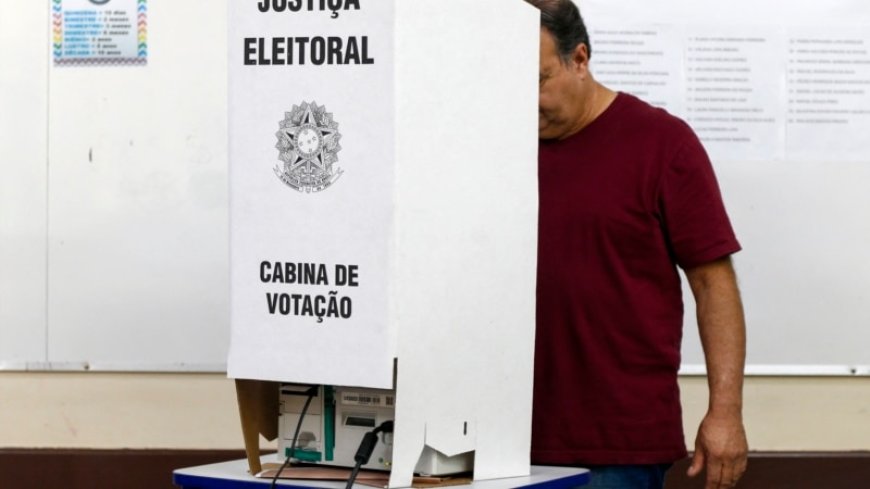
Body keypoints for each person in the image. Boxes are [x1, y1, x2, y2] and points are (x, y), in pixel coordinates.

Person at [524, 1, 749, 488]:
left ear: (579, 59)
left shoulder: (663, 144)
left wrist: (724, 413)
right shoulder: (485, 148)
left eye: (537, 80)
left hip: (615, 444)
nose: (519, 100)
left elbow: (714, 285)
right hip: (490, 433)